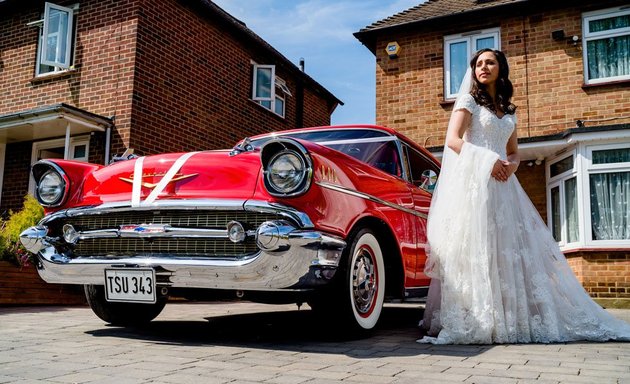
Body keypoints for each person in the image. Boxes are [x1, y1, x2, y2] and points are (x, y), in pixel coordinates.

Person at [417, 48, 630, 344]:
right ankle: (479, 317)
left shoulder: (509, 111)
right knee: (479, 248)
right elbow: (452, 141)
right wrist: (487, 161)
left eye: (489, 62)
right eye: (478, 63)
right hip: (476, 185)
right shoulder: (468, 102)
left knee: (507, 249)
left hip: (504, 187)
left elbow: (514, 151)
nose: (483, 67)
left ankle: (512, 316)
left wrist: (512, 166)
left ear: (500, 69)